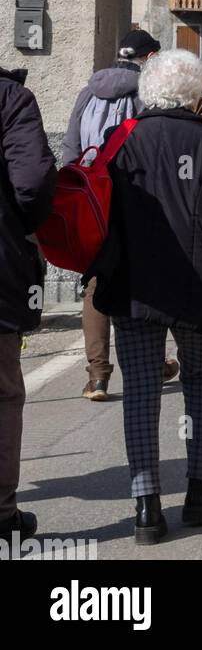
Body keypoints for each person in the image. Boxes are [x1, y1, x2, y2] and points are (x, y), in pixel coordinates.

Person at [91, 49, 202, 545]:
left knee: (143, 391)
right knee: (199, 382)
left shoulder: (120, 140)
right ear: (196, 95)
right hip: (199, 287)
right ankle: (198, 490)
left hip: (134, 286)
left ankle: (146, 506)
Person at [62, 28, 178, 403]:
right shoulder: (148, 93)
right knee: (146, 278)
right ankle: (154, 364)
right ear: (147, 57)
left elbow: (70, 147)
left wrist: (77, 194)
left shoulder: (87, 92)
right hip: (138, 201)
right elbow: (157, 148)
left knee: (96, 282)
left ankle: (97, 376)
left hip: (92, 201)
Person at [0, 67, 55, 539]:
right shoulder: (10, 99)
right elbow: (34, 181)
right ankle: (1, 518)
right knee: (2, 394)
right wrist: (23, 229)